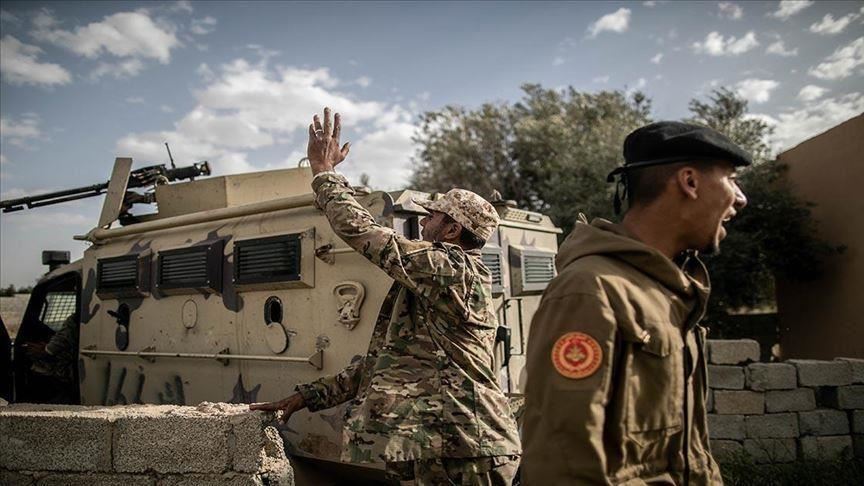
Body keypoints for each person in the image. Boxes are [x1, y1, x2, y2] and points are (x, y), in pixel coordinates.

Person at [251, 108, 520, 485]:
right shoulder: (437, 281)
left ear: (452, 230)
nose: (423, 222)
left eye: (432, 217)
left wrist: (323, 172)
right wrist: (305, 398)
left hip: (463, 450)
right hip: (441, 447)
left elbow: (362, 232)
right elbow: (385, 365)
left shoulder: (451, 270)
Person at [521, 121, 750, 485]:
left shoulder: (667, 290)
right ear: (689, 182)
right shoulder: (590, 290)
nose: (740, 198)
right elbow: (563, 463)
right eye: (732, 179)